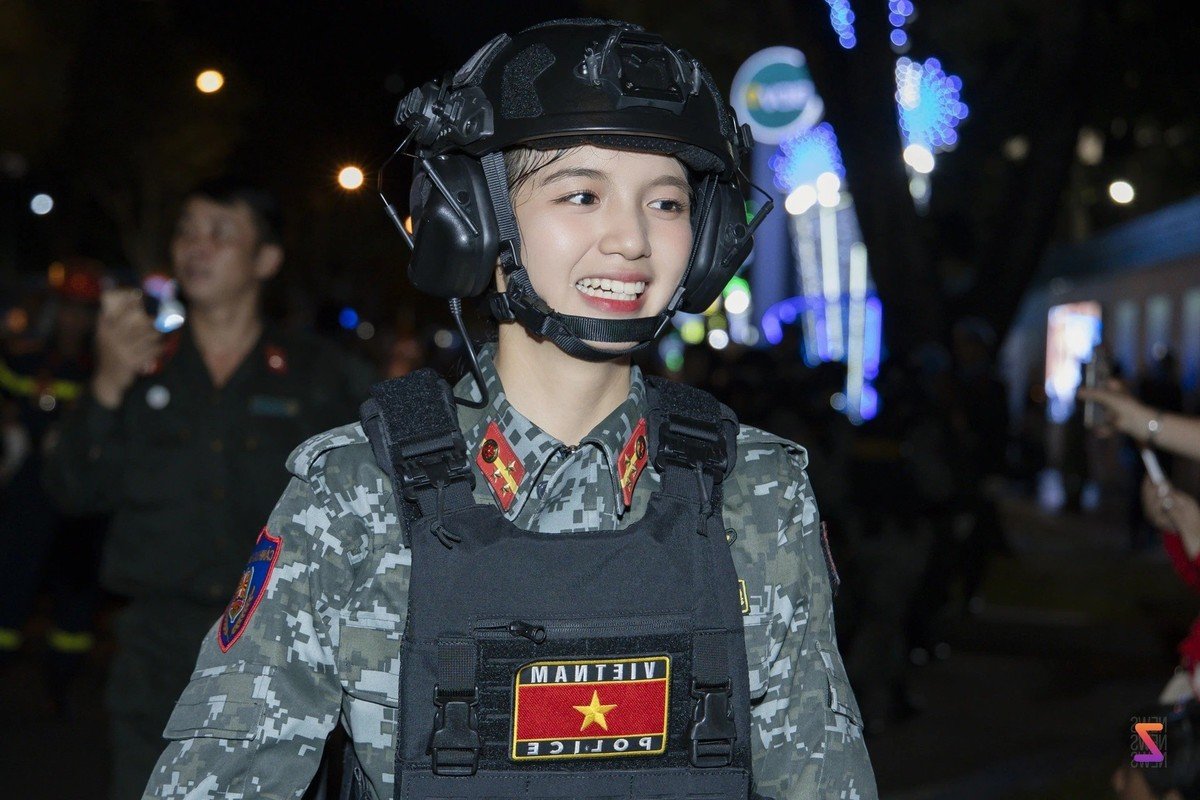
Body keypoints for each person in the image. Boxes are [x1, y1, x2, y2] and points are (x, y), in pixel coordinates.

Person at [144, 19, 876, 800]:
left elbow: (821, 774)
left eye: (666, 202)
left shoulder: (755, 490)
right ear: (474, 222)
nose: (631, 239)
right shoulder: (357, 492)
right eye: (581, 194)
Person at [42, 179, 376, 799]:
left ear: (265, 259)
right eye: (186, 232)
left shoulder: (316, 376)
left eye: (220, 234)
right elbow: (72, 491)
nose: (196, 247)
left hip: (280, 653)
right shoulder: (142, 364)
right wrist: (108, 383)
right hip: (156, 652)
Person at [0, 259, 107, 709]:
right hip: (30, 489)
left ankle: (61, 684)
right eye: (67, 308)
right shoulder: (25, 356)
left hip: (83, 499)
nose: (73, 320)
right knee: (11, 581)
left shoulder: (103, 367)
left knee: (76, 594)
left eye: (83, 310)